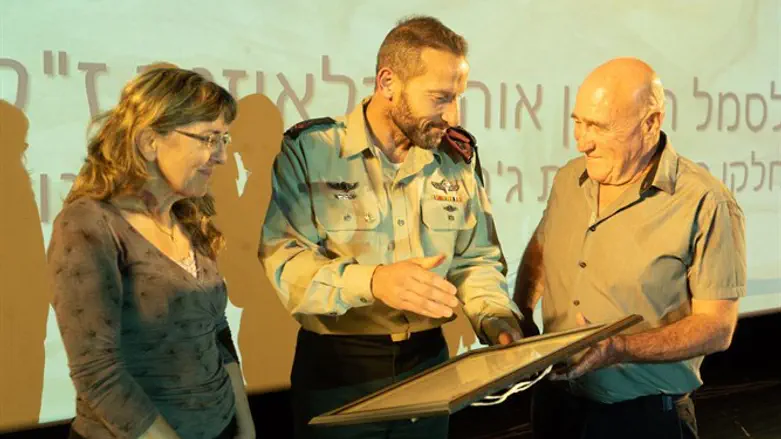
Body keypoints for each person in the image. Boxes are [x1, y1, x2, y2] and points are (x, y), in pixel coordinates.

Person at [259, 15, 524, 439]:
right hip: (339, 369)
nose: (452, 115)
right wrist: (374, 281)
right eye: (440, 98)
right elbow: (285, 261)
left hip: (429, 365)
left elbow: (477, 259)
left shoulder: (454, 159)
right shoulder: (312, 151)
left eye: (457, 98)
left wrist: (495, 319)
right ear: (388, 83)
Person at [513, 57, 746, 439]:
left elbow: (717, 328)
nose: (582, 141)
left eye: (599, 127)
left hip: (643, 420)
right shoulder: (569, 178)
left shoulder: (706, 202)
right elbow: (541, 247)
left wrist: (619, 348)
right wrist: (521, 314)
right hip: (555, 407)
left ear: (651, 123)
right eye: (578, 122)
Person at [48, 67, 256, 439]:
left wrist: (247, 428)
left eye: (225, 138)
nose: (223, 156)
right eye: (209, 139)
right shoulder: (89, 224)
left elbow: (217, 333)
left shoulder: (189, 217)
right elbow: (98, 374)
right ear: (149, 142)